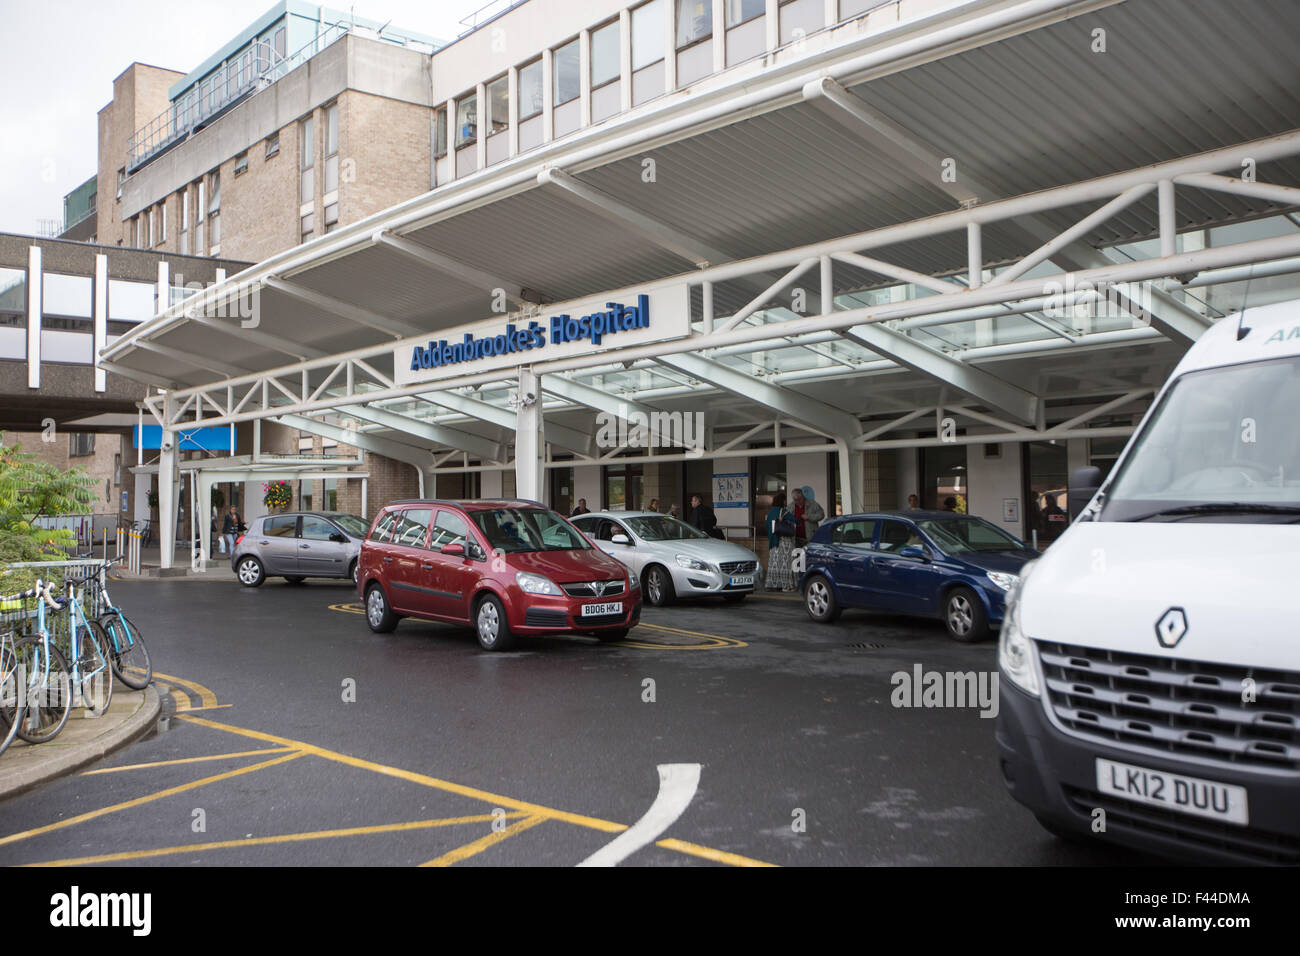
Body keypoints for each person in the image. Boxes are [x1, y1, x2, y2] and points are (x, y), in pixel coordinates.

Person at [764, 492, 797, 591]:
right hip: (783, 542)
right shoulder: (783, 511)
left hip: (773, 542)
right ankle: (786, 586)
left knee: (774, 563)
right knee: (785, 564)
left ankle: (773, 584)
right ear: (782, 501)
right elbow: (795, 520)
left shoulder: (770, 512)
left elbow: (768, 526)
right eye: (785, 500)